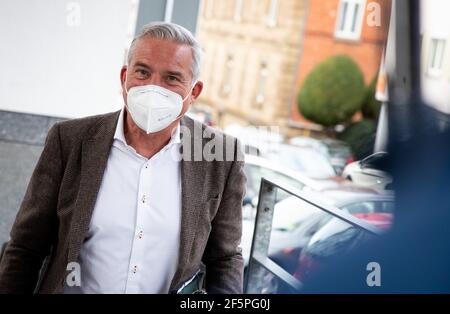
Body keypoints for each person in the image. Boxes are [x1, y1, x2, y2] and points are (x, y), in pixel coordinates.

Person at [0, 22, 246, 294]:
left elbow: (224, 257)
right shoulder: (70, 140)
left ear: (194, 92)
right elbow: (26, 246)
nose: (153, 88)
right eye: (142, 72)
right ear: (124, 78)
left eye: (172, 78)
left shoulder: (221, 157)